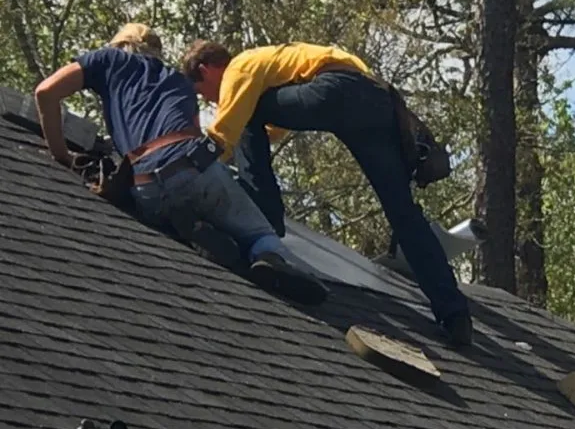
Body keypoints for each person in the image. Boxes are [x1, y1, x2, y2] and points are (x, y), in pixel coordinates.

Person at [178, 39, 474, 346]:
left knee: (246, 113)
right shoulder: (271, 64)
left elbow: (225, 132)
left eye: (202, 92)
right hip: (376, 100)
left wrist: (187, 166)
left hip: (336, 90)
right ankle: (454, 314)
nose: (210, 100)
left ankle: (265, 216)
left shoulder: (239, 67)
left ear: (206, 70)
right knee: (403, 214)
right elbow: (275, 129)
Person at [34, 23, 327, 306]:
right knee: (258, 233)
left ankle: (198, 231)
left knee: (169, 208)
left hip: (145, 188)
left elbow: (45, 92)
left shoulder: (106, 60)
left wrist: (62, 155)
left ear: (119, 44)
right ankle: (265, 255)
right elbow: (196, 136)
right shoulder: (178, 81)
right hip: (192, 167)